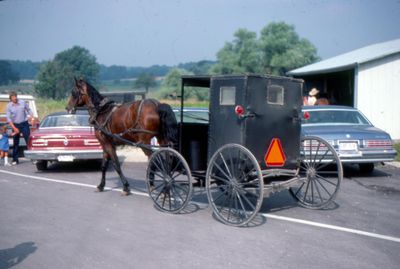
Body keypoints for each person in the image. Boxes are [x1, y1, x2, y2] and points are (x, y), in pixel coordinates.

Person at [6, 91, 34, 165]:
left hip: (24, 124)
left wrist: (31, 117)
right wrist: (14, 128)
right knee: (16, 142)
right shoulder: (9, 106)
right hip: (15, 124)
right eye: (13, 97)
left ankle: (34, 158)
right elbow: (8, 118)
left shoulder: (22, 102)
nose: (15, 98)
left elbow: (29, 110)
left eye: (15, 96)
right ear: (11, 99)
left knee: (28, 140)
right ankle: (15, 159)